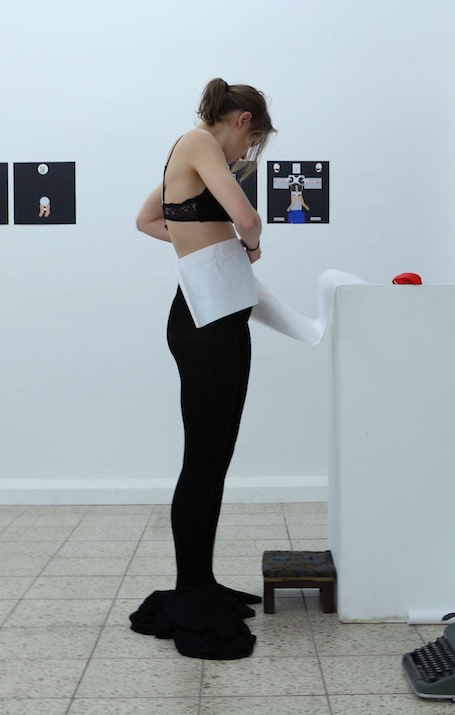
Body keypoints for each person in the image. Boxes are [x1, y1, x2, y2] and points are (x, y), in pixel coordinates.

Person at [131, 78, 275, 660]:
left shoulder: (190, 151)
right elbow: (248, 217)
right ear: (241, 120)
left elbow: (146, 219)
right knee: (203, 458)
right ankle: (191, 588)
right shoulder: (200, 143)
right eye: (253, 141)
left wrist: (203, 243)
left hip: (215, 311)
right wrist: (247, 244)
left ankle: (202, 579)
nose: (247, 154)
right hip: (205, 319)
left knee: (215, 457)